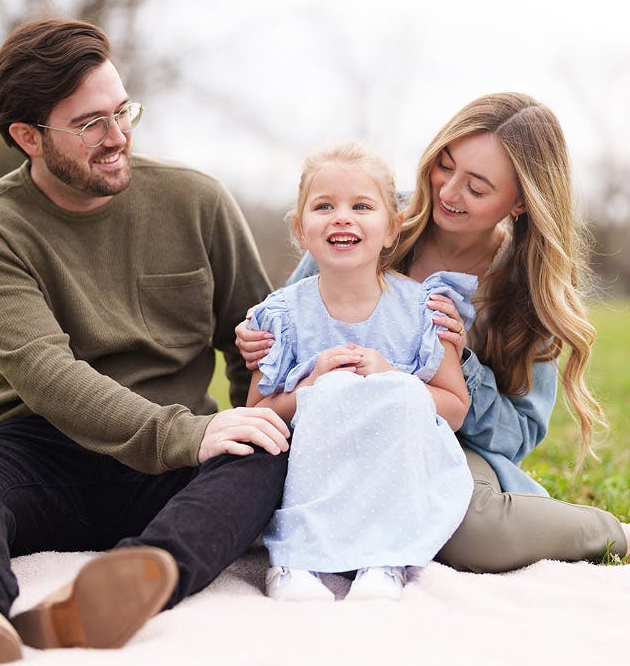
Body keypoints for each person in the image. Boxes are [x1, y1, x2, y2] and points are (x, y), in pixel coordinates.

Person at [0, 19, 290, 665]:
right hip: (45, 450)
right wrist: (185, 435)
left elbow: (258, 344)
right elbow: (47, 374)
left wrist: (249, 425)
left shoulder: (196, 199)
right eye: (91, 123)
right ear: (26, 137)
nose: (118, 136)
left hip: (174, 458)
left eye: (123, 110)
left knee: (266, 451)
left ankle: (137, 581)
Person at [237, 92, 630, 572]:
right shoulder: (368, 215)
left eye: (477, 187)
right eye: (445, 165)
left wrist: (462, 365)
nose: (447, 192)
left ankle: (609, 532)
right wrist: (258, 340)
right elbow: (296, 317)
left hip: (447, 444)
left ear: (521, 201)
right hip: (334, 430)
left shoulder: (526, 291)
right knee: (251, 498)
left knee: (471, 536)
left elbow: (517, 435)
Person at [246, 141, 476, 601]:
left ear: (392, 229)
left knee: (395, 392)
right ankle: (296, 557)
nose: (342, 217)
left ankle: (384, 557)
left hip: (393, 473)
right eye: (324, 206)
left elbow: (454, 409)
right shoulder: (283, 315)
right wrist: (310, 386)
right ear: (300, 229)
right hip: (314, 476)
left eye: (361, 206)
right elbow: (257, 411)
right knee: (330, 390)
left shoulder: (423, 309)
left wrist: (393, 378)